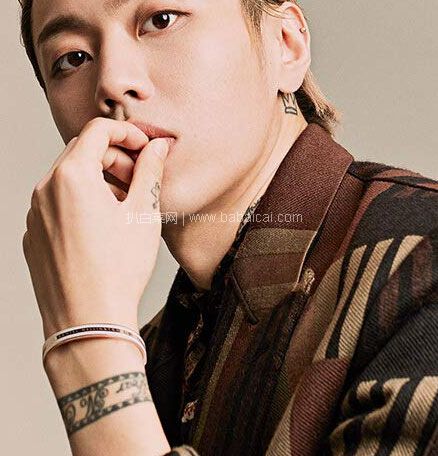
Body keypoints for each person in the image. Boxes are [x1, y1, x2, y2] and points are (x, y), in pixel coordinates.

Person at [20, 0, 437, 454]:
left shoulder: (421, 266)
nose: (112, 83)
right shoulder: (154, 351)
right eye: (73, 58)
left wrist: (88, 344)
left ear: (286, 44)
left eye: (161, 20)